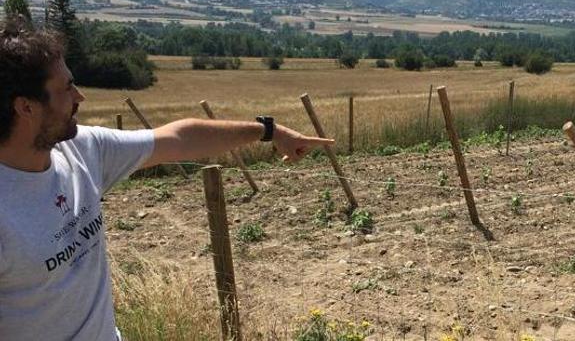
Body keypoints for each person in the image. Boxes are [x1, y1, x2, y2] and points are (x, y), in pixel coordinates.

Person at [0, 21, 333, 340]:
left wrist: (269, 131)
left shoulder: (82, 149)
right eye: (66, 87)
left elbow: (179, 138)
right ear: (26, 107)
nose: (80, 96)